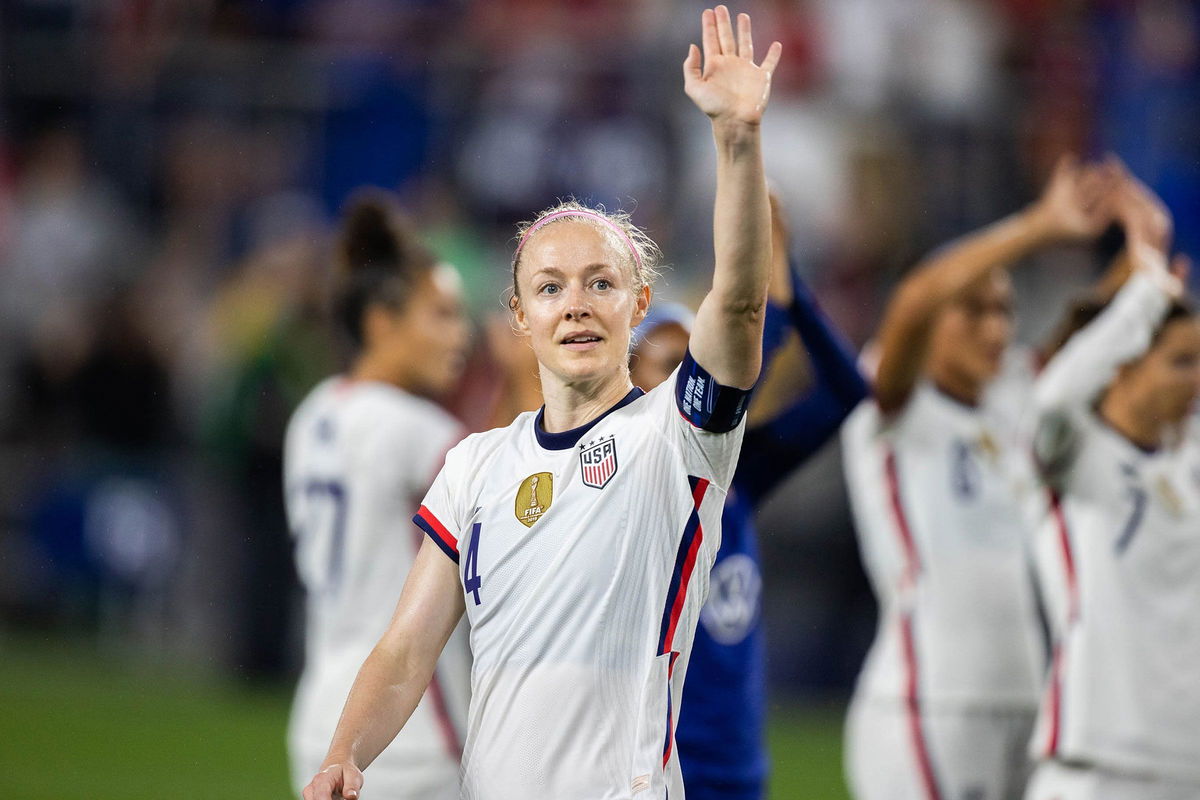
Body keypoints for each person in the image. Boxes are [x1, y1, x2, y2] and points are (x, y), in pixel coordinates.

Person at [302, 7, 782, 799]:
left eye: (602, 283)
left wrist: (737, 139)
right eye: (550, 288)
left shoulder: (677, 435)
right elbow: (406, 649)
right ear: (521, 318)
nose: (577, 305)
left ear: (641, 304)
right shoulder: (475, 465)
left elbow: (737, 309)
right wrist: (345, 755)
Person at [840, 156, 1118, 800]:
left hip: (1025, 698)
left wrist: (1143, 253)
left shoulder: (1012, 399)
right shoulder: (894, 402)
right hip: (926, 701)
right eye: (974, 310)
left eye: (1005, 311)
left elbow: (1093, 335)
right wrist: (1039, 226)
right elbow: (913, 300)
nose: (995, 329)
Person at [631, 197, 868, 800]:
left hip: (740, 771)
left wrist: (788, 294)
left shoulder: (738, 476)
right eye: (667, 363)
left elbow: (845, 392)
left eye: (694, 359)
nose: (688, 375)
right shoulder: (623, 486)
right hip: (656, 772)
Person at [284, 194, 471, 800]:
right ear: (381, 323)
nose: (460, 335)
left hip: (320, 716)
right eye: (440, 315)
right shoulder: (421, 433)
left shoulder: (312, 414)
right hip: (407, 727)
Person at [1024, 174, 1200, 800]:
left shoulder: (1187, 465)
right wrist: (1147, 289)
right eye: (1180, 361)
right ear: (1122, 363)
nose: (1194, 381)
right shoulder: (1079, 462)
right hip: (1095, 768)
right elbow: (1051, 398)